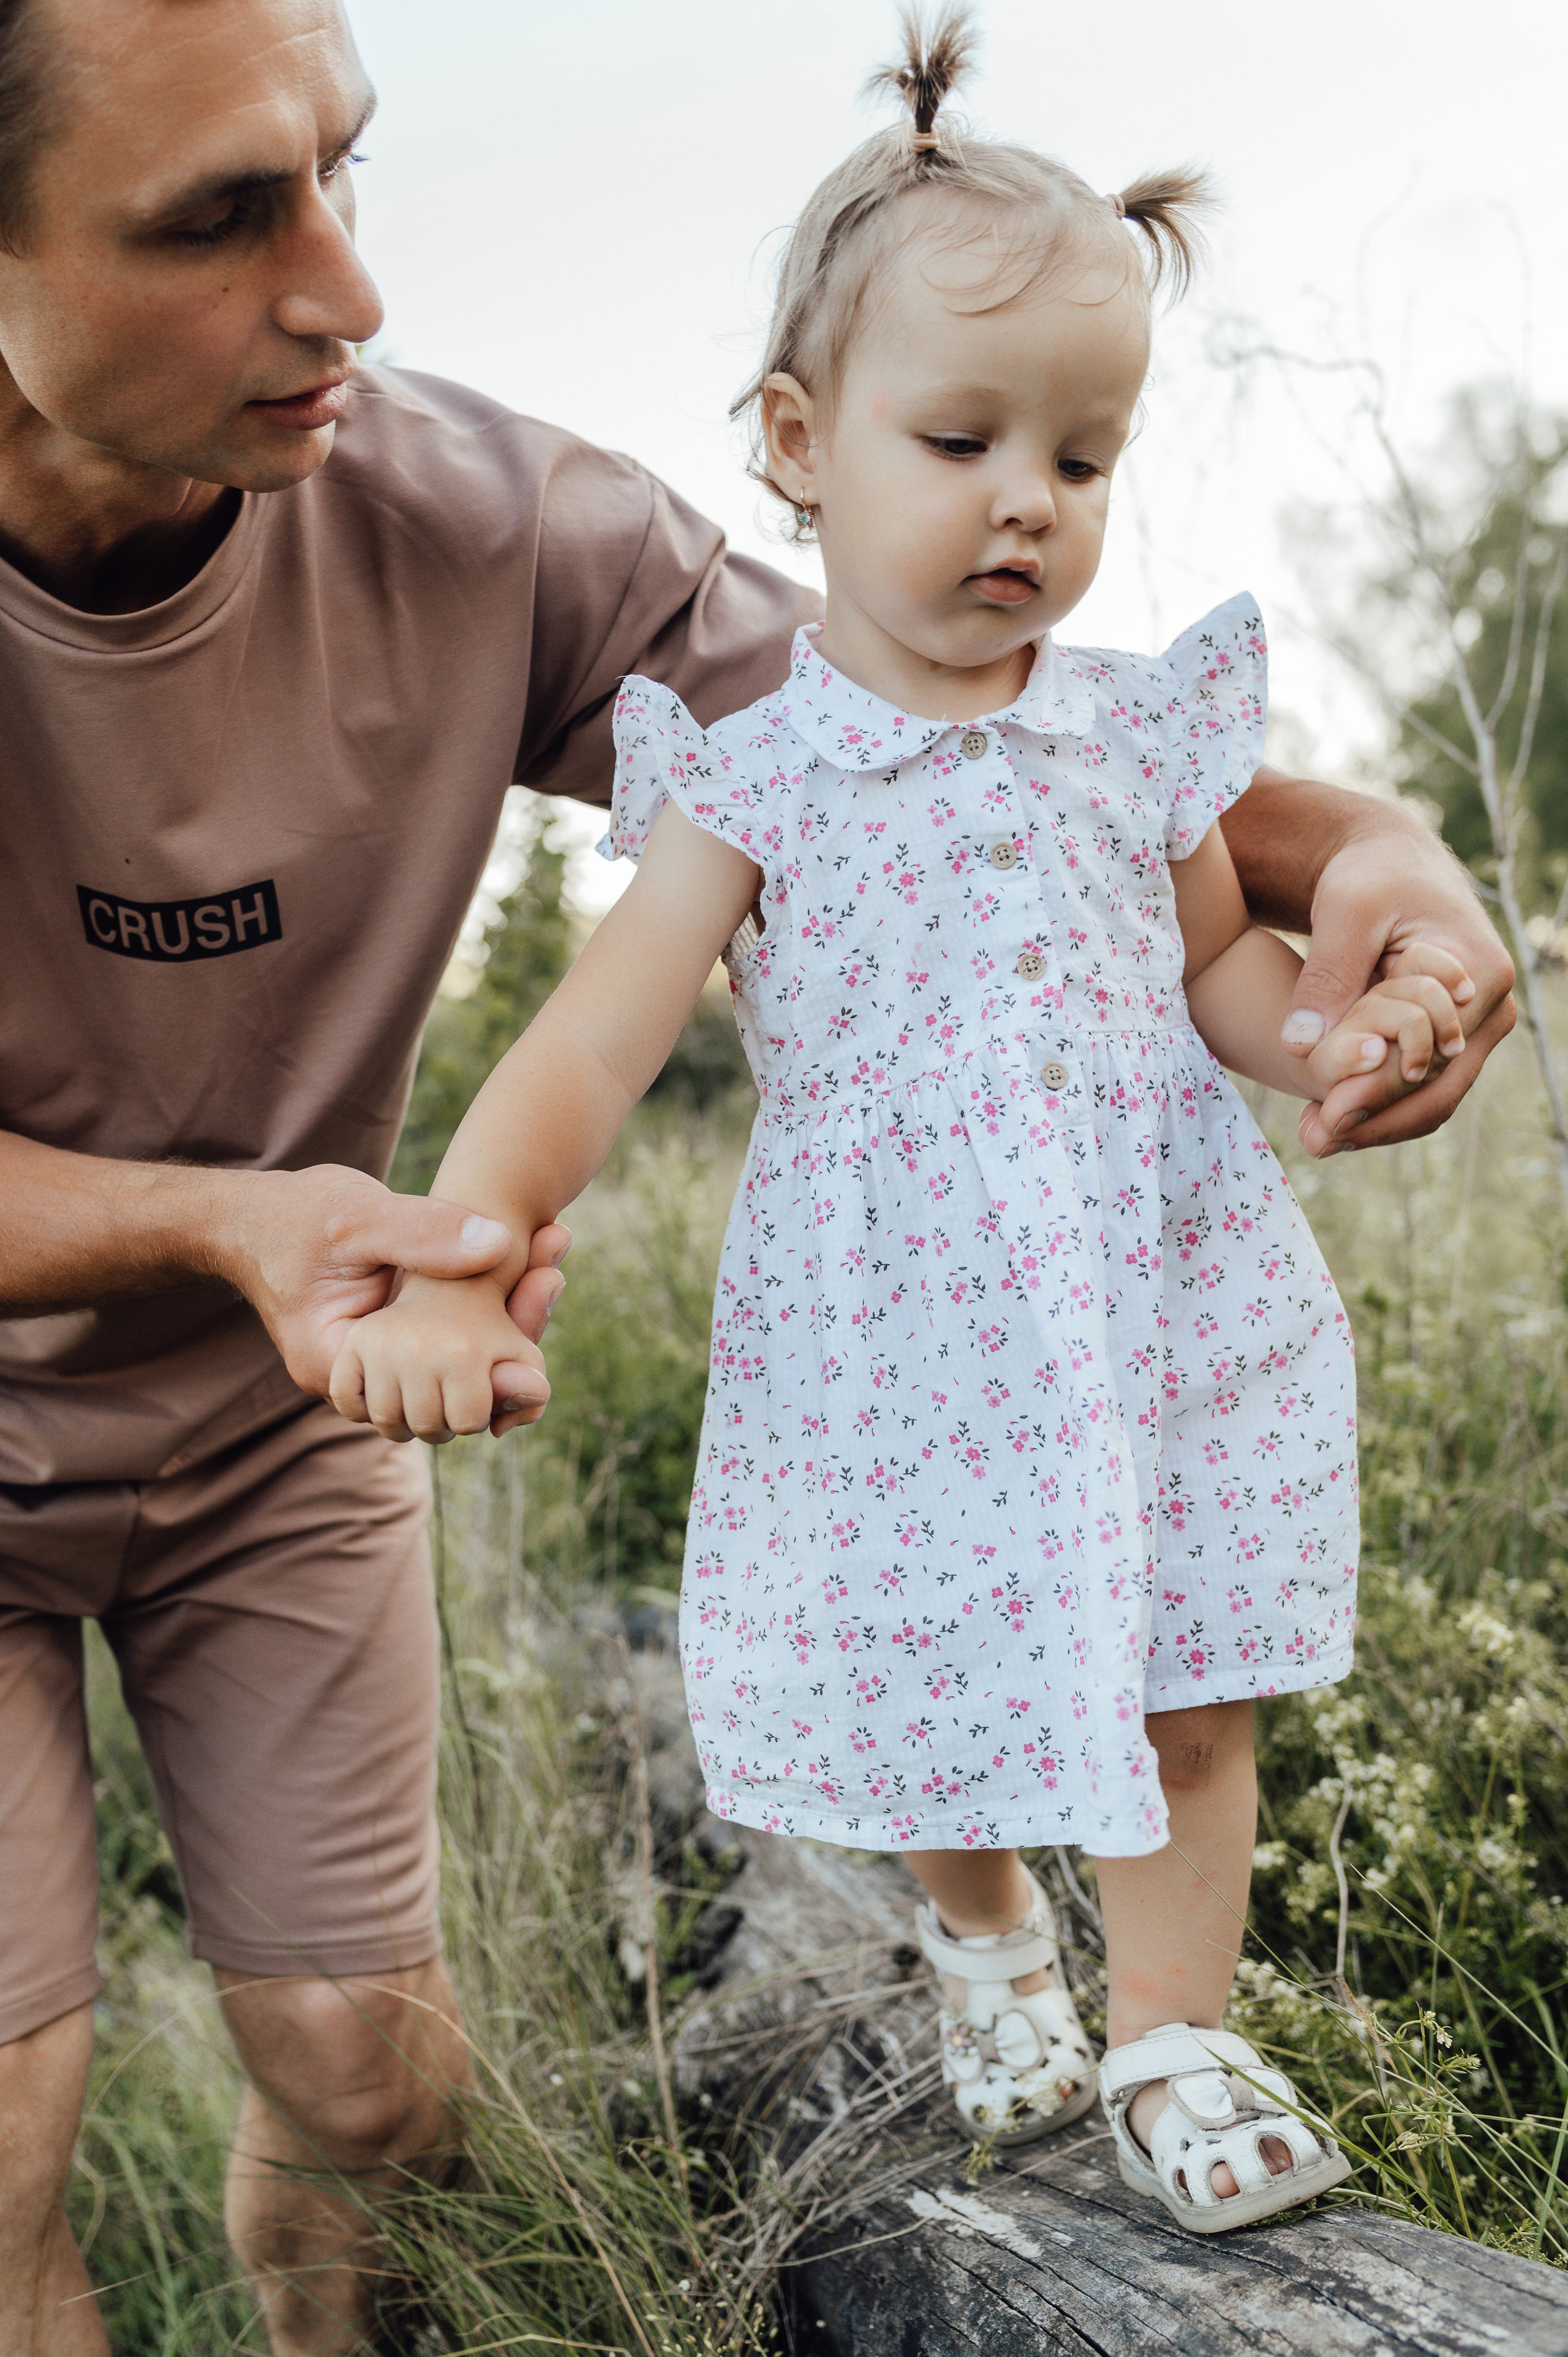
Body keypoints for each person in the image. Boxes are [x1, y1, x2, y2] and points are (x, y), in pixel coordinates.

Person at [0, 0, 1513, 2342]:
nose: (351, 293)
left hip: (294, 1417)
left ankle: (1155, 2026)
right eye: (219, 216)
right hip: (148, 1342)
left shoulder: (489, 522)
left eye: (343, 173)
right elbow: (604, 1031)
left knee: (361, 2075)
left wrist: (1390, 872)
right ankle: (996, 1927)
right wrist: (306, 1229)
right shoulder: (742, 783)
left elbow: (957, 736)